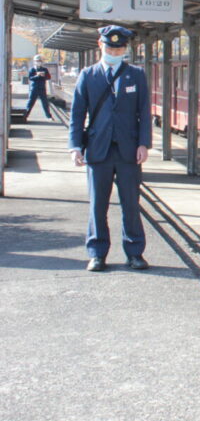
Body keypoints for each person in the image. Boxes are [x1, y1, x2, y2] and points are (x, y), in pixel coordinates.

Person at [69, 26, 152, 272]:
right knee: (98, 205)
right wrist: (75, 146)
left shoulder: (136, 75)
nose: (114, 52)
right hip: (98, 150)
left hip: (129, 151)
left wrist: (144, 143)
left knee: (131, 204)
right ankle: (97, 254)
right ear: (100, 45)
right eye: (110, 48)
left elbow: (144, 112)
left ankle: (135, 253)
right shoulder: (88, 75)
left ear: (125, 49)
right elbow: (77, 114)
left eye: (119, 49)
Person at [26, 54, 54, 120]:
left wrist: (44, 76)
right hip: (34, 88)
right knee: (30, 102)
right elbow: (30, 78)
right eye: (37, 61)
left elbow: (48, 77)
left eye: (40, 61)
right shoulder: (32, 69)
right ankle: (25, 115)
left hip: (42, 88)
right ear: (34, 61)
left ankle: (49, 116)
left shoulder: (45, 69)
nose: (38, 62)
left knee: (45, 103)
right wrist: (37, 76)